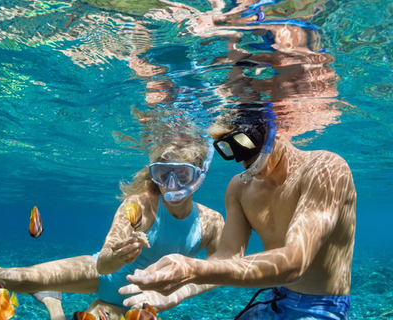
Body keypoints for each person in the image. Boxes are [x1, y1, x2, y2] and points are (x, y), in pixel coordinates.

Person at [0, 133, 224, 320]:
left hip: (135, 306)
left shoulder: (211, 222)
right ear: (153, 173)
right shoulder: (137, 206)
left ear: (199, 175)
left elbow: (222, 270)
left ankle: (53, 305)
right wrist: (116, 256)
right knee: (15, 277)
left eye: (181, 175)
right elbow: (103, 262)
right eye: (162, 173)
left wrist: (177, 292)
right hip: (101, 276)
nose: (171, 184)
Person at [121, 110, 356, 320]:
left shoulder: (326, 168)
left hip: (321, 308)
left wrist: (193, 270)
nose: (244, 162)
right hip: (275, 299)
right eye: (234, 150)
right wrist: (180, 291)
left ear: (276, 129)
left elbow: (295, 263)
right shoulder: (240, 188)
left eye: (248, 143)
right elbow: (228, 256)